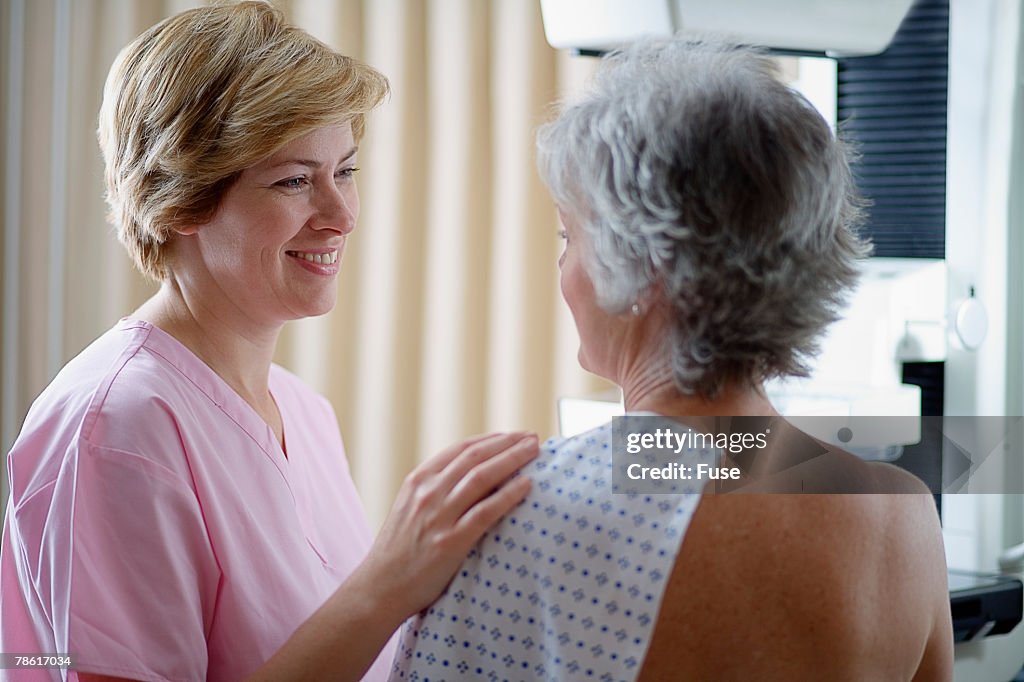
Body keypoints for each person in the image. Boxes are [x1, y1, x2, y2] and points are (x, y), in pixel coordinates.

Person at [0, 3, 539, 680]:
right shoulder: (117, 426)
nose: (342, 216)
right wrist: (385, 585)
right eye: (294, 181)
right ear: (182, 201)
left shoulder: (302, 412)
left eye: (345, 171)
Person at [391, 37, 954, 681]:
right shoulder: (902, 513)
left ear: (643, 266)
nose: (562, 266)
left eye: (570, 236)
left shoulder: (520, 511)